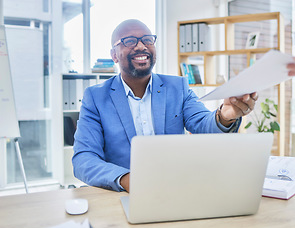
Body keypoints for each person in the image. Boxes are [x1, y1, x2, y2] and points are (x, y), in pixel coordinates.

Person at [72, 19, 258, 192]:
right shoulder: (96, 97)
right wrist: (127, 179)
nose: (141, 46)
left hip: (175, 189)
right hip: (124, 195)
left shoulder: (178, 88)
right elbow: (84, 159)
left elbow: (203, 124)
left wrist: (225, 116)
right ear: (114, 55)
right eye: (129, 41)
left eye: (147, 40)